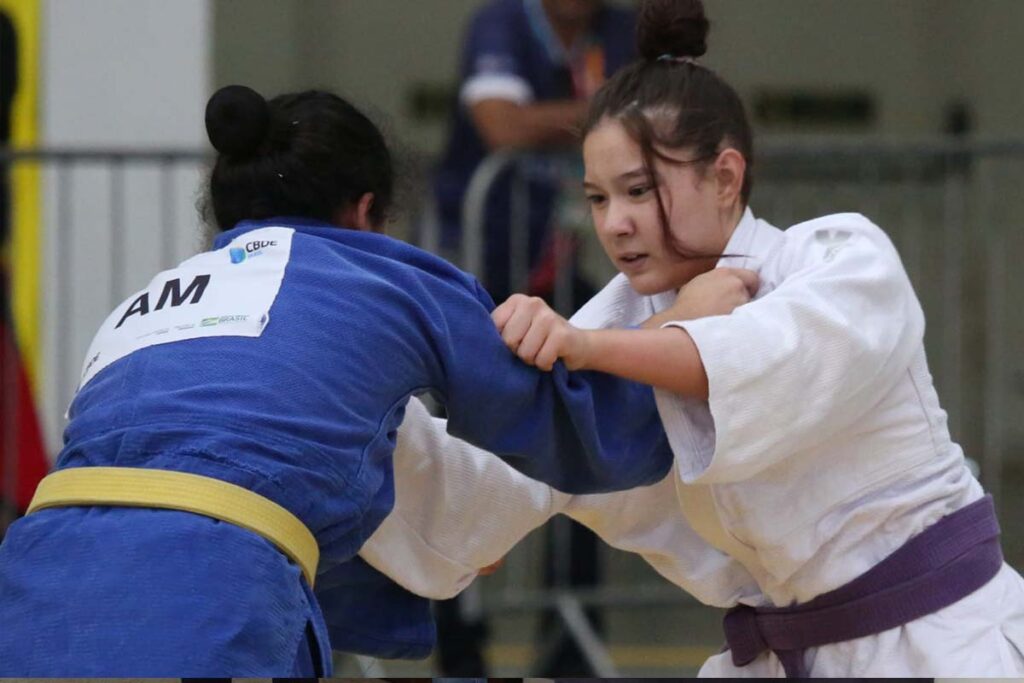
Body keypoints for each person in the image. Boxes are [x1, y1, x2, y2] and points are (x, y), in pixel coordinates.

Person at [362, 0, 1024, 676]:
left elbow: (745, 358)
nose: (615, 223)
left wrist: (587, 347)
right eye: (597, 198)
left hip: (945, 638)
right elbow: (476, 483)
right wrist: (351, 379)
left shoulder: (841, 258)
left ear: (726, 177)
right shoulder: (615, 321)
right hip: (797, 650)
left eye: (639, 190)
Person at [0, 85, 682, 677]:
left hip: (29, 590)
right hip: (206, 598)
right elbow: (581, 429)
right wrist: (689, 339)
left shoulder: (137, 308)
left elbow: (233, 480)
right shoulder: (384, 275)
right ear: (365, 211)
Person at [431, 1, 637, 672]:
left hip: (562, 268)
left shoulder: (621, 29)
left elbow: (668, 117)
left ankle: (571, 636)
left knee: (587, 433)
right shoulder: (501, 25)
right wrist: (605, 119)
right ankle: (459, 645)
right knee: (462, 453)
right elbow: (500, 125)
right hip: (484, 270)